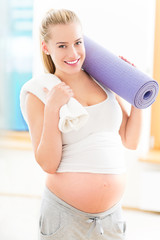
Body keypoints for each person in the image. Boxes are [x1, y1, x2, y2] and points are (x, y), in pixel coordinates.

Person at [25, 8, 142, 240]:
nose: (73, 53)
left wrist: (136, 94)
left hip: (111, 218)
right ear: (46, 48)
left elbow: (130, 140)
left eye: (78, 42)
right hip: (65, 218)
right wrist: (53, 109)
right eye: (62, 45)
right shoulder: (39, 92)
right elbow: (48, 163)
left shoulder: (103, 80)